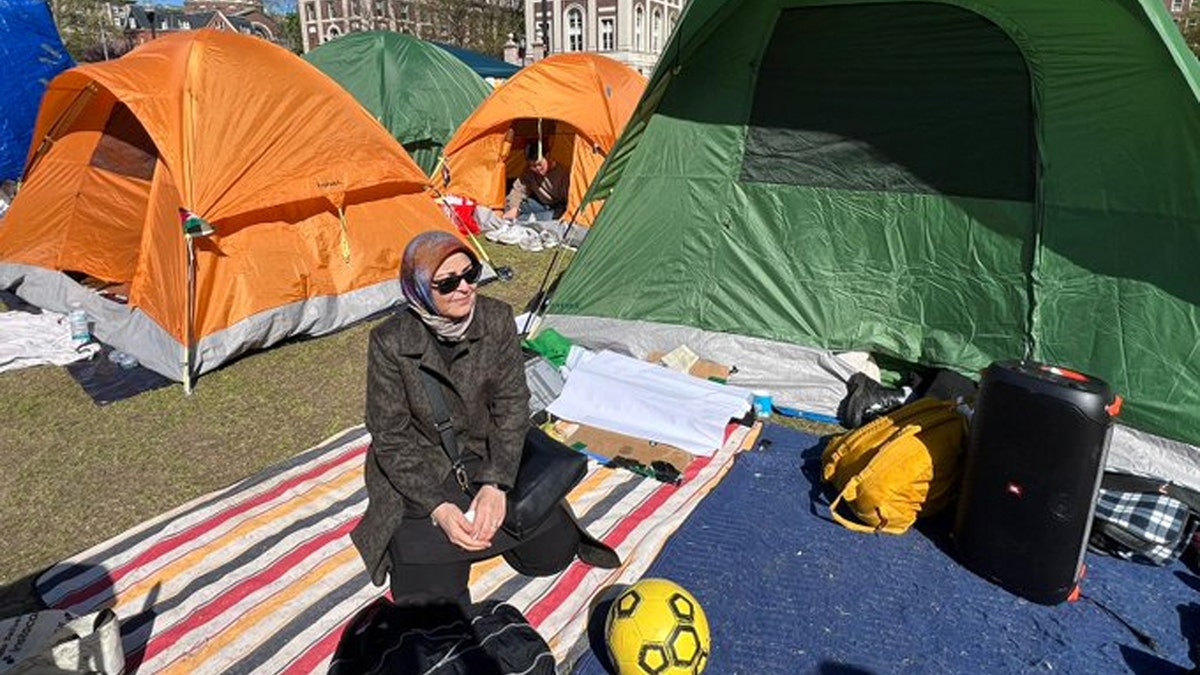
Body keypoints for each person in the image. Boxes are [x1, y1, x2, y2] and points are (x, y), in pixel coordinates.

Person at [351, 230, 619, 608]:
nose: (464, 288)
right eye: (447, 283)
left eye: (470, 273)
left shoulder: (495, 318)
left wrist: (496, 484)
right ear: (419, 290)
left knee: (551, 555)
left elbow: (512, 405)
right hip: (426, 466)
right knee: (430, 603)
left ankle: (497, 522)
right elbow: (390, 436)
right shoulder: (390, 341)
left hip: (487, 452)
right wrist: (438, 509)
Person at [502, 142, 569, 222]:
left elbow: (570, 201)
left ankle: (528, 220)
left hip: (558, 207)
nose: (537, 169)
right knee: (516, 205)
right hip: (540, 204)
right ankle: (528, 219)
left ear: (548, 157)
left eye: (539, 164)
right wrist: (514, 208)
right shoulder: (529, 172)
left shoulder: (563, 174)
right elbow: (518, 191)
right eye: (533, 166)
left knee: (550, 217)